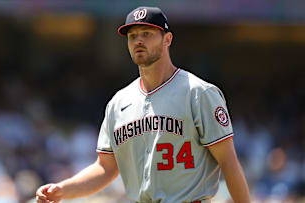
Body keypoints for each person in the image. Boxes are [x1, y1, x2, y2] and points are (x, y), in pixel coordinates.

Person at [36, 6, 251, 203]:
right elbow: (106, 168)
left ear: (167, 39)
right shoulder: (119, 102)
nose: (138, 41)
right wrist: (62, 190)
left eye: (147, 34)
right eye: (132, 36)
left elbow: (228, 162)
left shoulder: (198, 93)